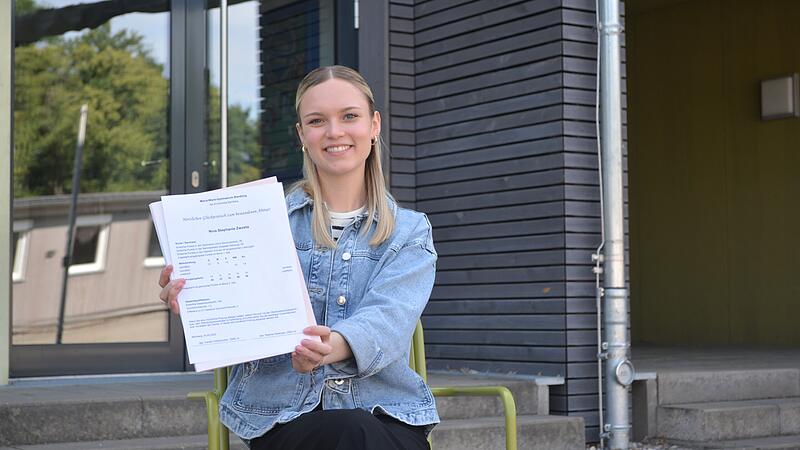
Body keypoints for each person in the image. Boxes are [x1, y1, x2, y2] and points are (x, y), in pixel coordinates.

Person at [158, 65, 439, 450]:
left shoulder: (409, 231)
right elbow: (241, 312)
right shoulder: (259, 223)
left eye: (350, 116)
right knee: (348, 432)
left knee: (356, 429)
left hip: (385, 414)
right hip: (286, 418)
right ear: (301, 135)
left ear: (374, 125)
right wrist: (196, 296)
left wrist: (333, 348)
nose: (335, 132)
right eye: (317, 121)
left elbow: (389, 321)